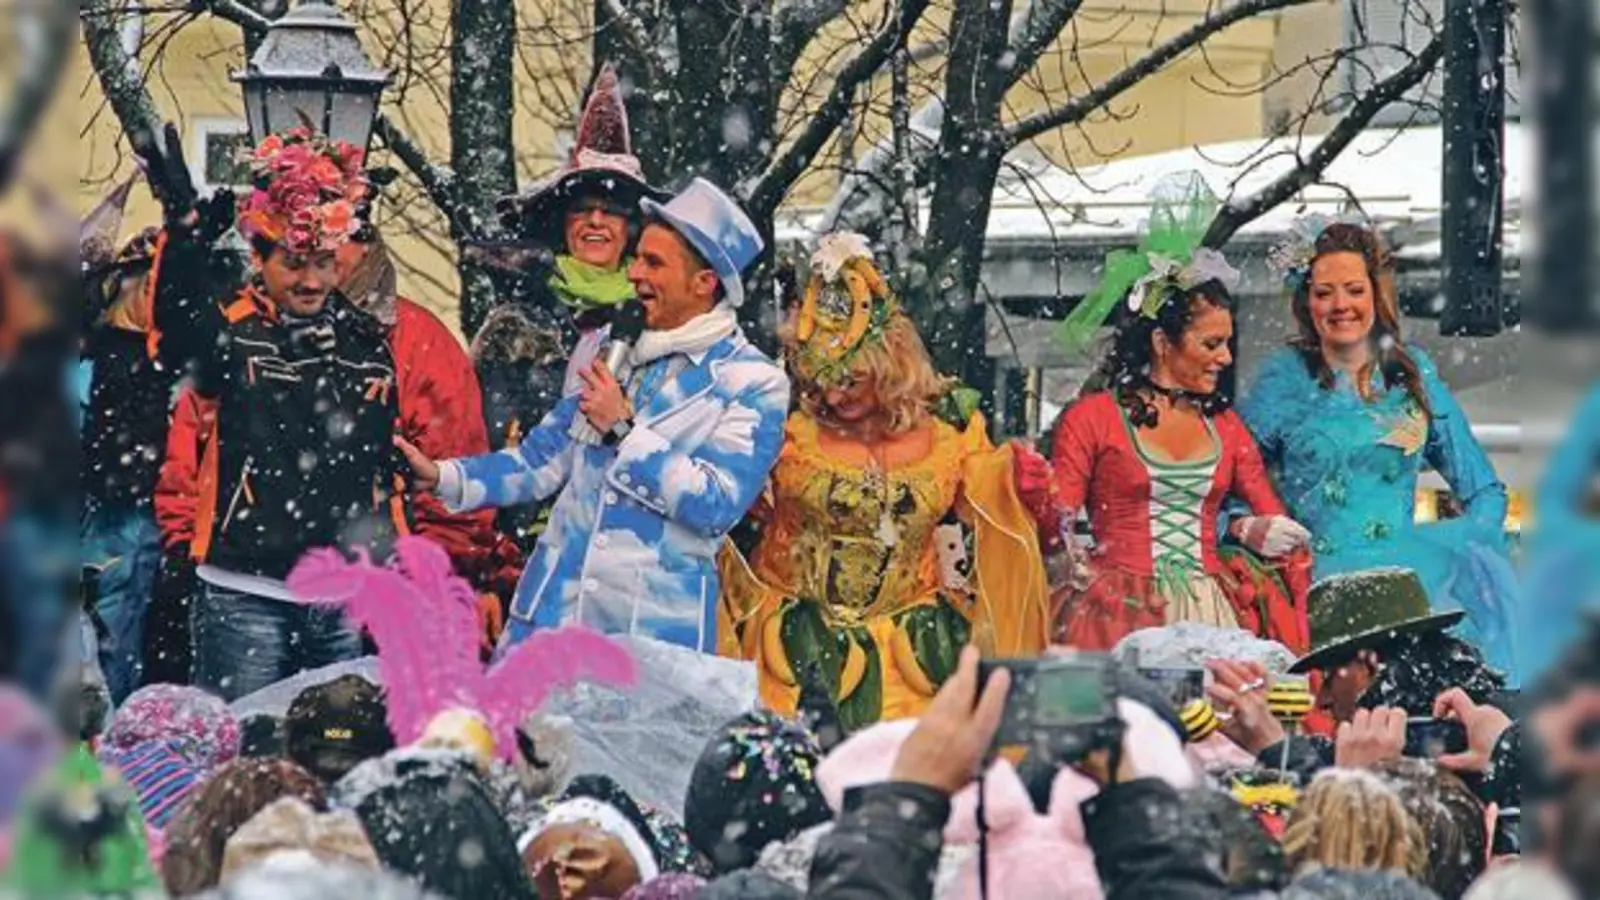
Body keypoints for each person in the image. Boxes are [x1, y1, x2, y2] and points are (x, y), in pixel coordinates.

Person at [397, 177, 790, 654]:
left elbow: (715, 505)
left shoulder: (753, 381)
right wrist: (439, 476)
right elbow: (539, 463)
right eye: (639, 257)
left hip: (650, 640)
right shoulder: (617, 351)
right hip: (551, 624)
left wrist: (624, 433)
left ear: (703, 282)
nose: (635, 274)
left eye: (653, 262)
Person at [719, 232, 1054, 727]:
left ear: (890, 366)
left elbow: (1005, 528)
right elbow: (717, 511)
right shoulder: (785, 440)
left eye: (850, 379)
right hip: (789, 655)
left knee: (913, 779)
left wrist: (1024, 487)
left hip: (914, 659)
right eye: (821, 381)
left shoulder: (951, 444)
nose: (832, 398)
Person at [136, 124, 407, 700]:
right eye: (293, 262)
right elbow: (178, 338)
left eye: (323, 262)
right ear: (261, 257)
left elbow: (384, 473)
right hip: (244, 592)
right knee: (244, 756)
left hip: (342, 596)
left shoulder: (368, 346)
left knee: (331, 766)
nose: (311, 280)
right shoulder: (235, 333)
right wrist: (182, 232)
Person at [158, 230, 523, 656]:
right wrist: (190, 549)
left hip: (370, 596)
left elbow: (452, 471)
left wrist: (433, 577)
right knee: (248, 719)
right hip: (244, 592)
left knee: (343, 719)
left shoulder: (411, 338)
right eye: (301, 244)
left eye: (338, 239)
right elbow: (190, 455)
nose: (318, 259)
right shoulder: (237, 330)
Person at [1239, 216, 1518, 680]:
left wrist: (1463, 549)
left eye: (1353, 289)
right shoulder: (1282, 383)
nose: (1339, 305)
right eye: (1323, 292)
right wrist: (1246, 526)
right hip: (1313, 600)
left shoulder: (1411, 376)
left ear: (1375, 294)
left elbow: (1485, 490)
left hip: (1406, 601)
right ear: (1306, 301)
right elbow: (1225, 483)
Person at [1050, 175, 1312, 652]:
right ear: (1161, 342)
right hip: (1117, 614)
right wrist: (1071, 558)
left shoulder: (1225, 428)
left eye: (1228, 343)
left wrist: (1249, 530)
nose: (1226, 358)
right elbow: (1057, 518)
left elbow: (1273, 519)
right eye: (1211, 344)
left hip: (1213, 611)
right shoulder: (1093, 420)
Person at [471, 64, 666, 551]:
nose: (596, 221)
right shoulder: (514, 325)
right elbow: (484, 437)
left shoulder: (663, 321)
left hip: (630, 542)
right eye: (582, 209)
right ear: (562, 222)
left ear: (632, 228)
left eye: (612, 209)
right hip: (530, 539)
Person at [1206, 568, 1512, 788]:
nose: (1322, 700)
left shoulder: (1443, 755)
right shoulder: (1489, 727)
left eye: (1328, 677)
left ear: (1369, 665)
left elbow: (1361, 820)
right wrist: (1277, 741)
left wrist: (1278, 750)